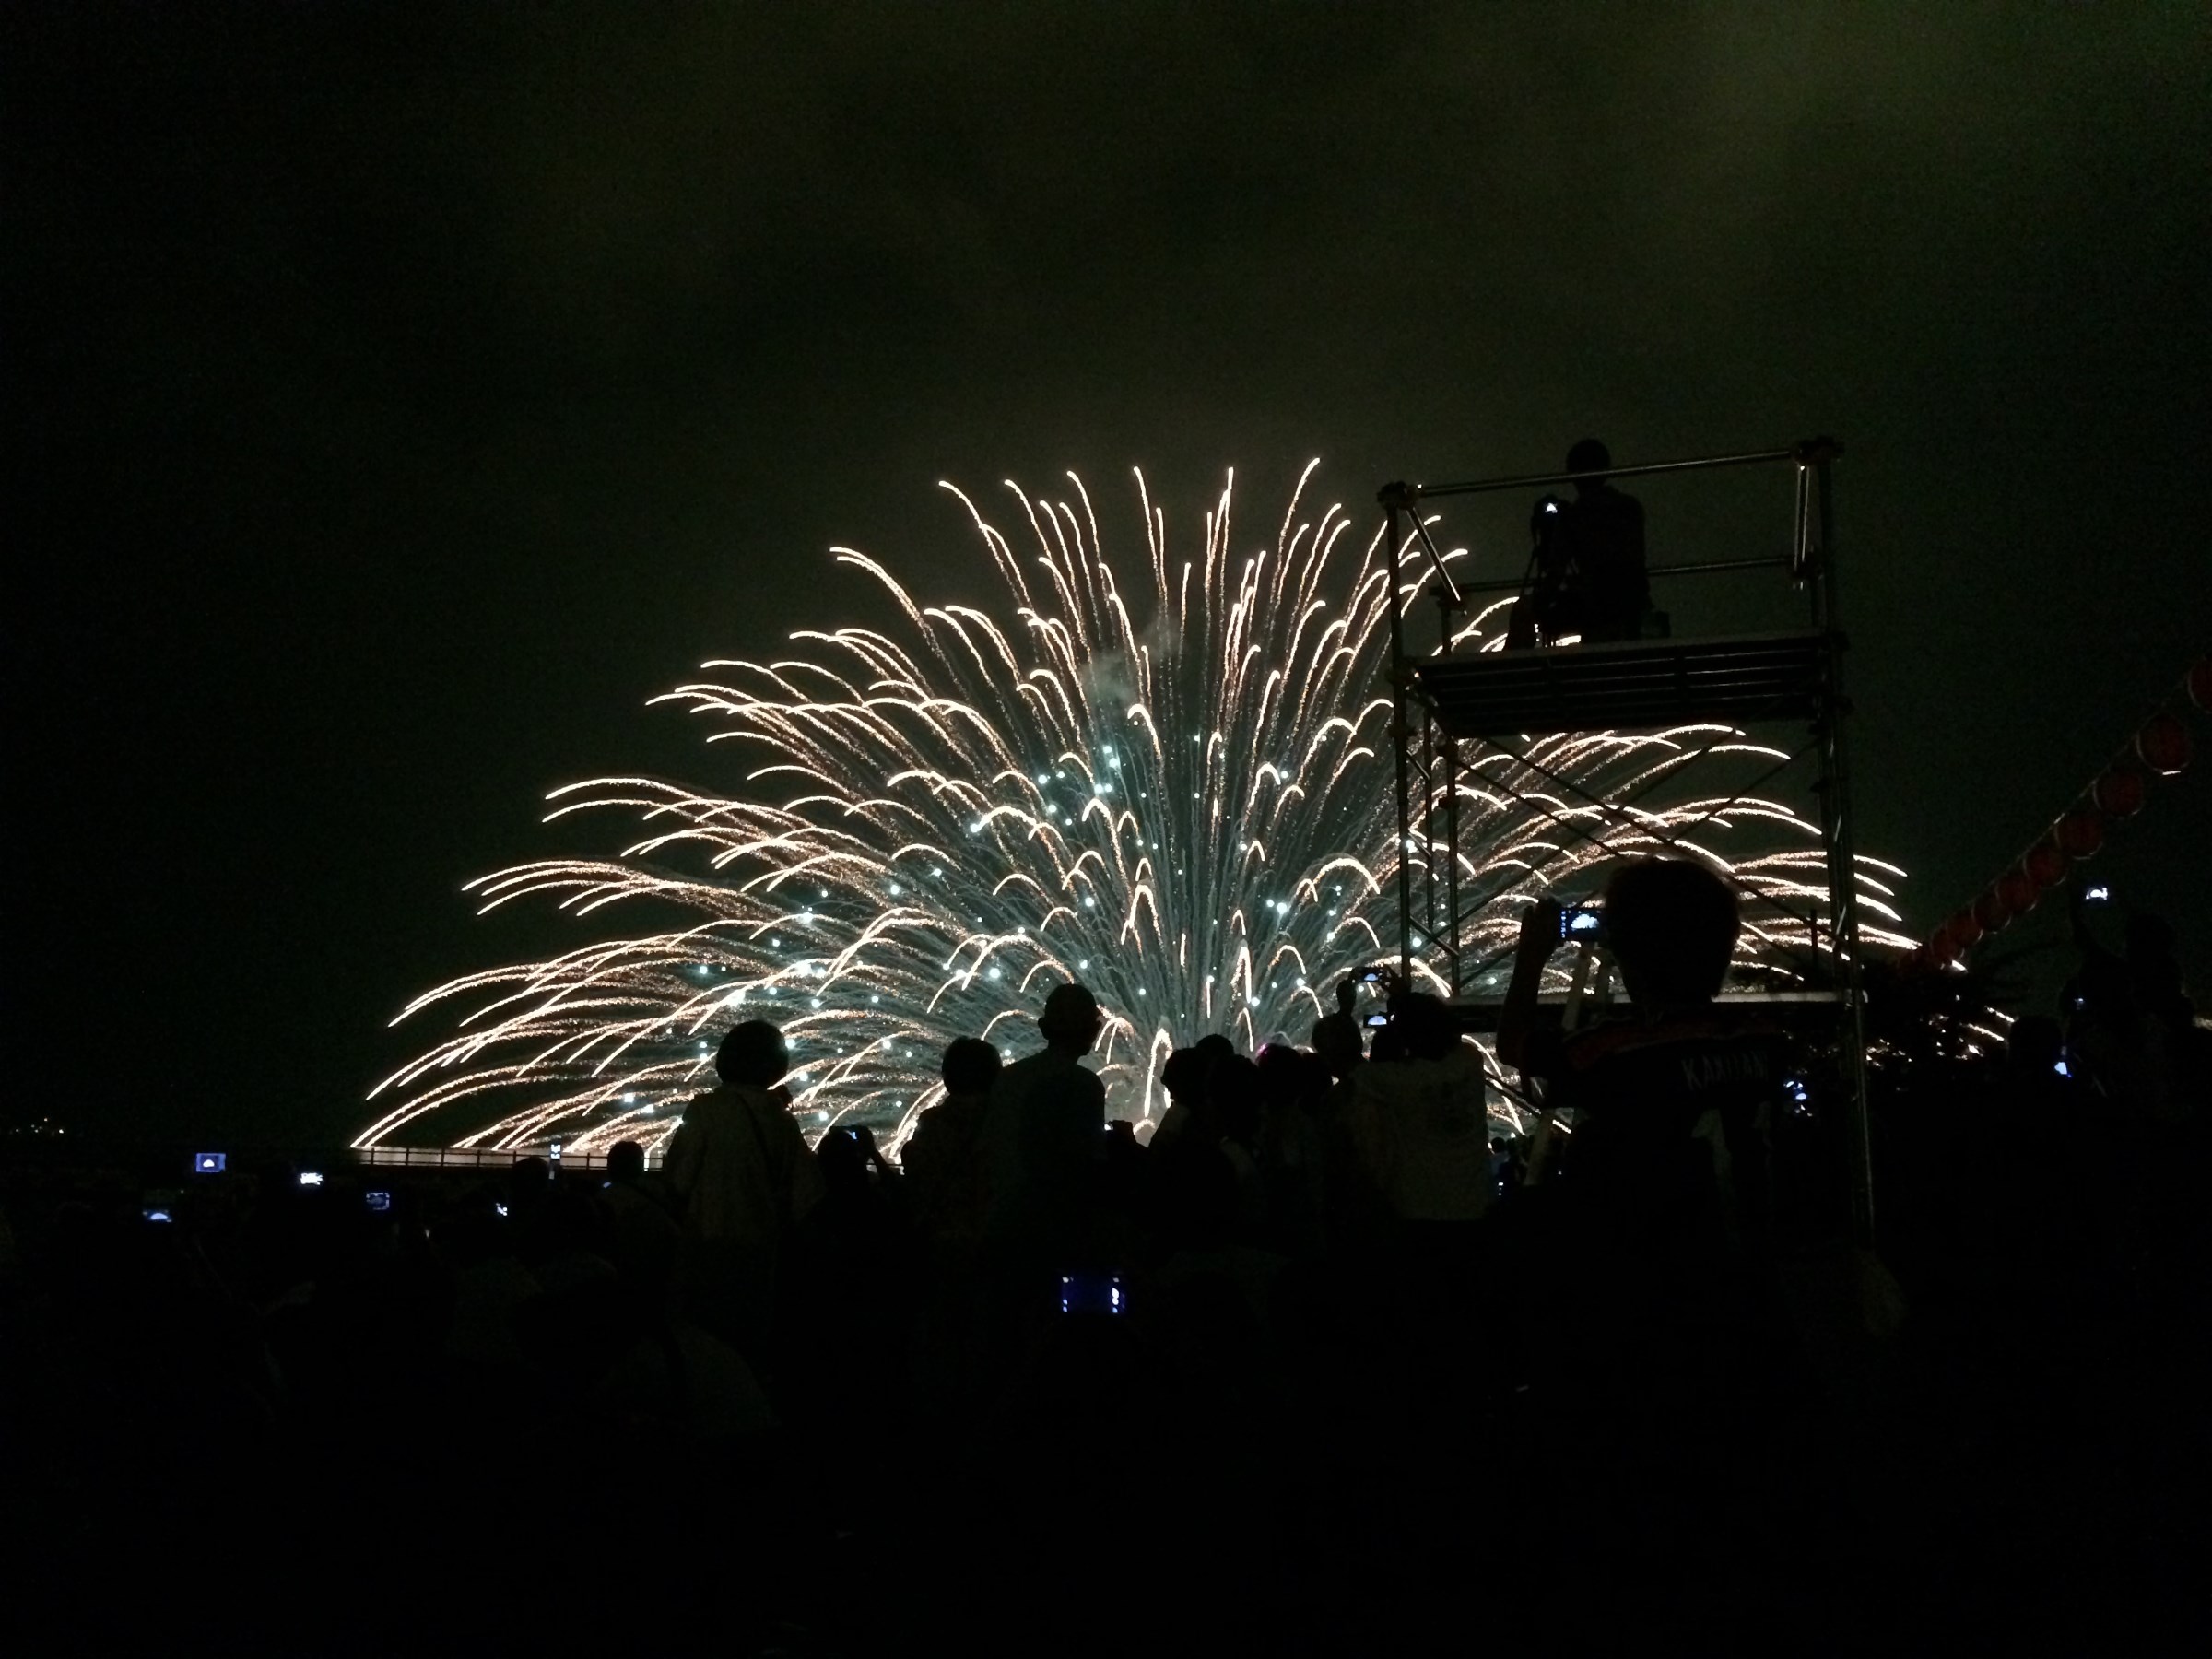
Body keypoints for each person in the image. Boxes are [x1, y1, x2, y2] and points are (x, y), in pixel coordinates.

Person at [1497, 859, 1785, 1241]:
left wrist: (1531, 957)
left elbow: (1513, 1044)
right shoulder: (1764, 1040)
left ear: (1631, 952)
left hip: (1655, 1265)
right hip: (1748, 1256)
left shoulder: (1615, 1050)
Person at [663, 1019, 825, 1356]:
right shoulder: (782, 1122)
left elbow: (677, 1182)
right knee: (748, 1351)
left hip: (704, 1254)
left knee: (700, 1349)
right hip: (759, 1258)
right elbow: (807, 1197)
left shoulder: (705, 1110)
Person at [1511, 437, 1651, 648]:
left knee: (1521, 610)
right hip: (1634, 601)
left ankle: (1518, 672)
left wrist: (1538, 602)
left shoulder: (1574, 516)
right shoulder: (1631, 507)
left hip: (1595, 606)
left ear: (1574, 474)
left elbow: (1555, 573)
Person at [901, 1037, 1004, 1249]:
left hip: (941, 1237)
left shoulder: (932, 1122)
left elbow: (918, 1174)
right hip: (993, 1239)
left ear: (947, 1079)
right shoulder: (1005, 1122)